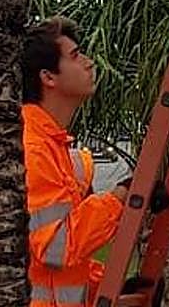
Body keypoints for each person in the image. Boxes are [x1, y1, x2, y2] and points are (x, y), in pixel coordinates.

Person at [22, 16, 128, 307]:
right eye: (75, 55)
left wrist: (112, 287)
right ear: (48, 77)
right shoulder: (33, 149)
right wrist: (119, 199)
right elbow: (56, 247)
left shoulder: (56, 148)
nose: (89, 62)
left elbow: (68, 268)